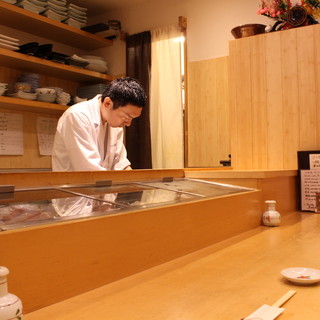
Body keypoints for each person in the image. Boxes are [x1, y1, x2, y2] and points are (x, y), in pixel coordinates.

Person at [52, 77, 146, 171]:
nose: (128, 124)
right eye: (126, 117)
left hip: (100, 183)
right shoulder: (77, 116)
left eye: (132, 118)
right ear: (108, 103)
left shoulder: (114, 123)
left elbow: (120, 163)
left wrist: (136, 181)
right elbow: (89, 170)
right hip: (74, 184)